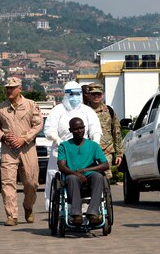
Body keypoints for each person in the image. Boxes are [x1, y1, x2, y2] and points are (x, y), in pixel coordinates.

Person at [0, 77, 43, 226]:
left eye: (12, 88)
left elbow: (38, 125)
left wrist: (24, 138)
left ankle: (28, 206)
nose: (9, 90)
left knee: (31, 182)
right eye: (7, 88)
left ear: (20, 88)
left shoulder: (31, 105)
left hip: (27, 147)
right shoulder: (0, 108)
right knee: (7, 183)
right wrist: (3, 136)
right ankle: (11, 215)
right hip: (8, 149)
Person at [43, 81, 102, 211]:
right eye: (72, 94)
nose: (75, 97)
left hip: (83, 152)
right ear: (66, 95)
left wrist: (95, 143)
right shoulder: (57, 111)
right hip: (62, 150)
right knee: (57, 178)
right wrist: (57, 140)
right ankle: (57, 209)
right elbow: (49, 129)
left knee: (90, 178)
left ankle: (89, 210)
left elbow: (95, 128)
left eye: (77, 94)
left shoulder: (87, 111)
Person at [57, 117, 109, 225]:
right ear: (70, 130)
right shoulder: (64, 146)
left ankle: (93, 213)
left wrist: (86, 170)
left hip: (89, 175)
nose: (80, 131)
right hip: (72, 176)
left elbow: (105, 164)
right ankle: (76, 215)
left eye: (82, 128)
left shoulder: (93, 145)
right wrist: (76, 174)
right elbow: (61, 166)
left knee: (98, 177)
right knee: (72, 179)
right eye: (76, 129)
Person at [87, 83, 124, 178]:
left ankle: (106, 193)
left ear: (102, 95)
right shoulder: (84, 111)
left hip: (105, 151)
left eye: (98, 94)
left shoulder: (109, 111)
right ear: (89, 95)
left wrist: (119, 154)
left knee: (105, 179)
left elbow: (117, 132)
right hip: (87, 151)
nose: (96, 96)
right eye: (93, 94)